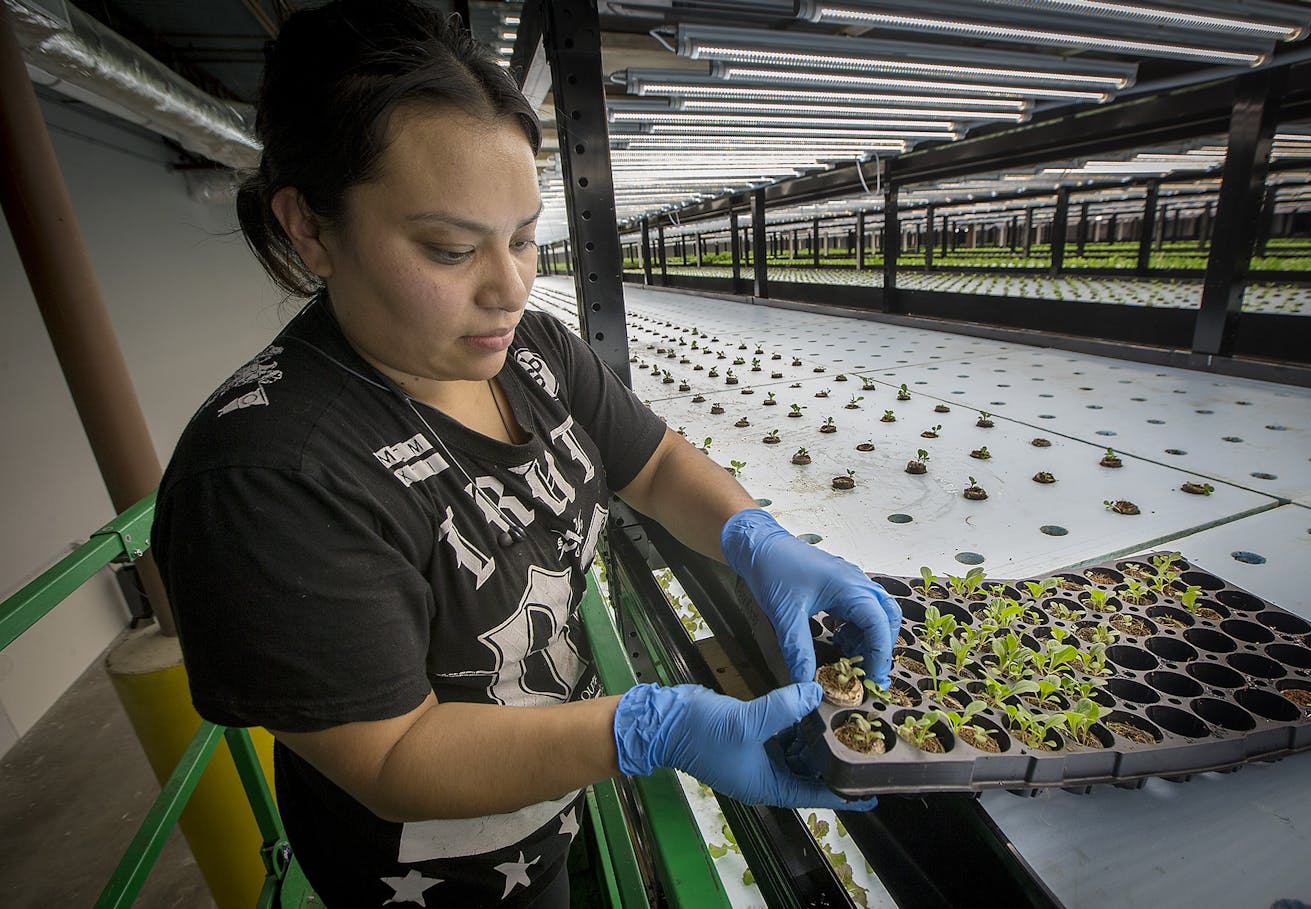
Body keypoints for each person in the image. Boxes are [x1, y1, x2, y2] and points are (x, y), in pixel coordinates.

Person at [152, 1, 901, 906]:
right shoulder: (265, 476)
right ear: (311, 228)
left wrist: (756, 536)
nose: (509, 287)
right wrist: (649, 727)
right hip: (438, 879)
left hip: (547, 799)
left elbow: (655, 463)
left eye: (520, 236)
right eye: (450, 247)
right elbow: (393, 753)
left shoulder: (537, 353)